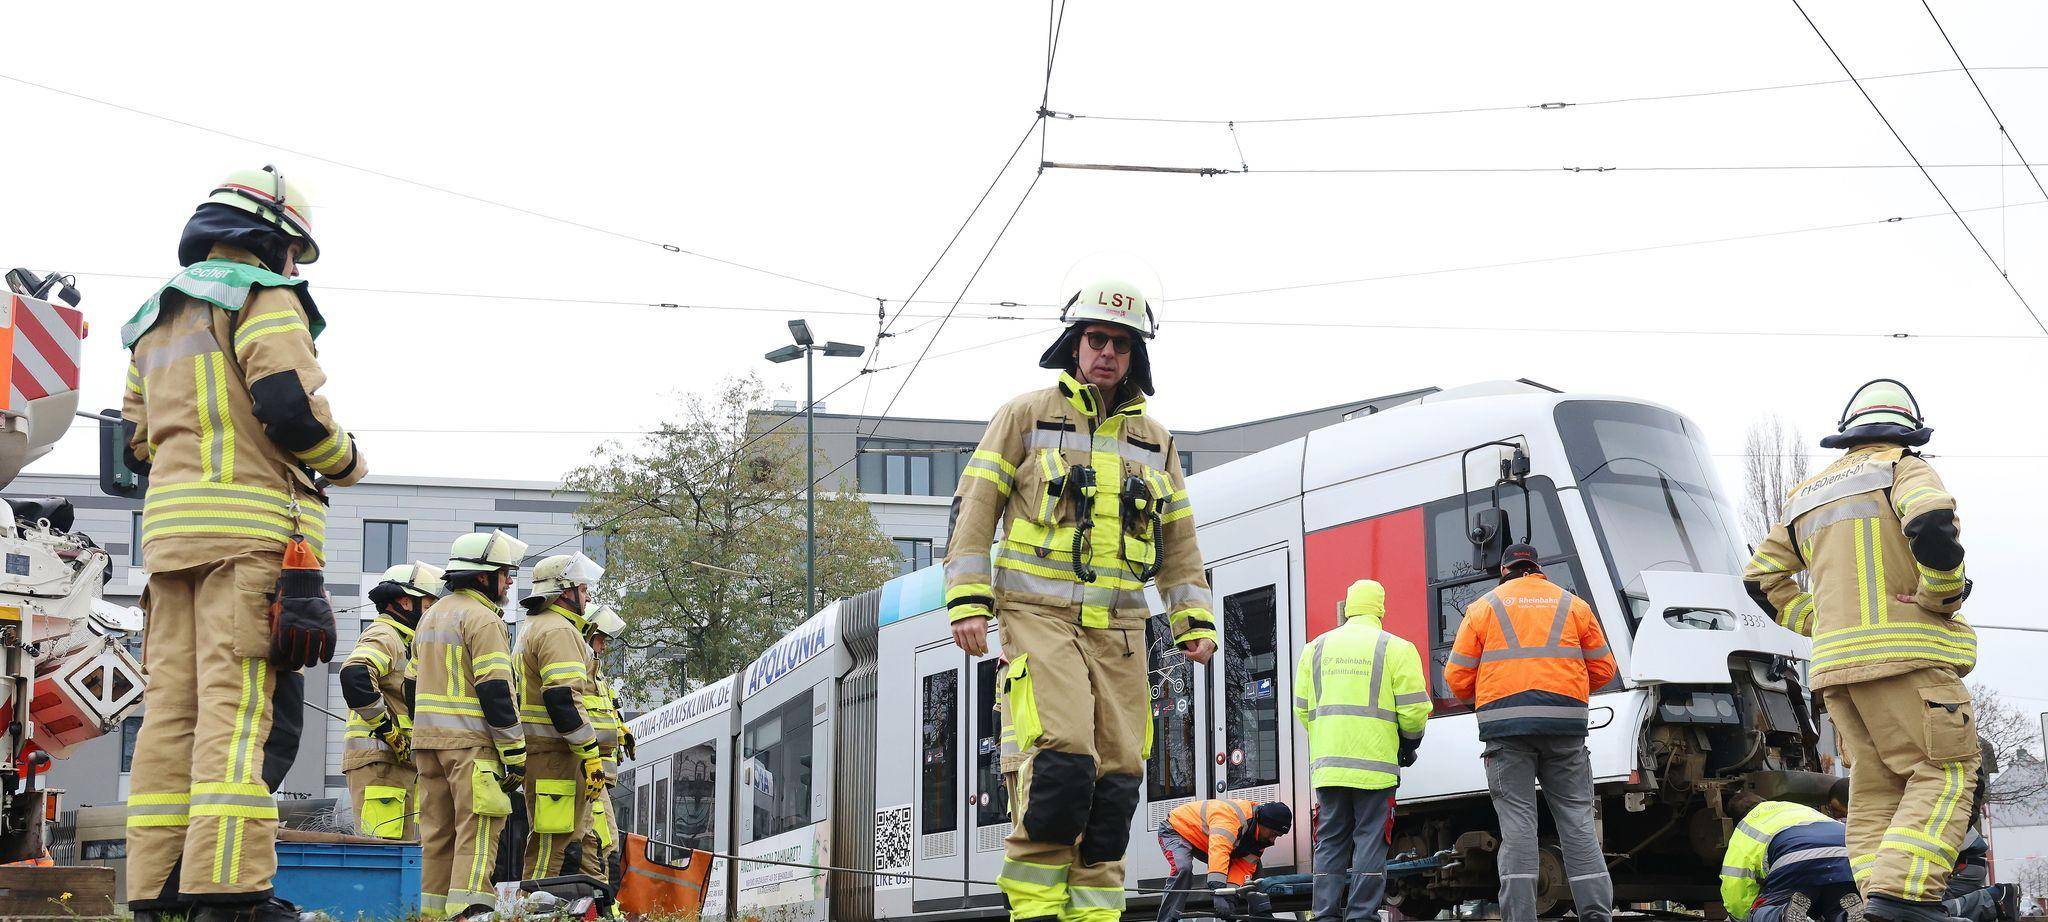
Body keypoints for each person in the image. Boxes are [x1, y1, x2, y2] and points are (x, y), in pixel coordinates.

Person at [121, 165, 368, 922]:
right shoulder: (263, 296)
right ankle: (230, 894)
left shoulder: (154, 318)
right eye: (295, 251)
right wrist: (347, 460)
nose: (295, 268)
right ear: (273, 240)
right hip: (252, 540)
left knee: (172, 715)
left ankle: (158, 893)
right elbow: (290, 407)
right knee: (241, 714)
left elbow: (136, 445)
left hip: (169, 546)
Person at [943, 276, 1217, 922]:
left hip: (1120, 631)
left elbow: (1179, 542)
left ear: (1134, 356)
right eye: (1097, 339)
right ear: (1074, 345)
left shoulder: (1156, 442)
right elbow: (974, 510)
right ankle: (1036, 911)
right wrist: (968, 602)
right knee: (1065, 763)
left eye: (1121, 344)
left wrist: (1192, 619)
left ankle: (1094, 915)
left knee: (1117, 782)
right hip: (1038, 620)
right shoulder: (1026, 416)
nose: (1107, 354)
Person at [1745, 380, 1979, 922]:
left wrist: (1818, 622)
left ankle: (1878, 902)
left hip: (1837, 673)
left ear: (1849, 436)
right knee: (1945, 772)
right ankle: (1905, 900)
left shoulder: (1808, 492)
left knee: (1875, 787)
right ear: (1907, 433)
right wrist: (1939, 595)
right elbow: (1932, 525)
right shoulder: (1904, 469)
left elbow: (1761, 578)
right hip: (1909, 659)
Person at [1444, 543, 1618, 922]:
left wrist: (1492, 697)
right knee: (1577, 822)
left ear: (1503, 570)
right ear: (1537, 569)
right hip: (1565, 731)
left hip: (1506, 733)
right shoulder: (1573, 606)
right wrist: (1563, 691)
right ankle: (1597, 915)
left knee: (1519, 826)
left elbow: (1456, 678)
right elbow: (1604, 669)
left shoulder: (1483, 608)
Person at [1295, 579, 1431, 922]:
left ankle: (1324, 915)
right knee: (1371, 841)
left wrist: (1329, 739)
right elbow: (1414, 710)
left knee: (1330, 842)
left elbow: (1301, 708)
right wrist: (1409, 743)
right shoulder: (1396, 648)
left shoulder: (1315, 648)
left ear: (1348, 607)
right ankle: (1361, 915)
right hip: (1376, 767)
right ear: (1380, 608)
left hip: (1329, 768)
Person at [414, 531, 529, 920]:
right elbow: (496, 690)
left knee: (437, 837)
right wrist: (515, 754)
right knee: (478, 832)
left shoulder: (430, 616)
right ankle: (468, 913)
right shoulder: (483, 619)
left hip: (428, 745)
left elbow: (412, 683)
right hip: (471, 747)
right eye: (504, 573)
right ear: (483, 577)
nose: (510, 581)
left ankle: (432, 916)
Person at [513, 554, 608, 879]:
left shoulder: (535, 627)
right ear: (565, 591)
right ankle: (537, 908)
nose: (589, 596)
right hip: (555, 755)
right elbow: (562, 697)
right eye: (584, 589)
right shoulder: (557, 630)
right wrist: (590, 753)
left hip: (546, 753)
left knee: (568, 839)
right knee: (552, 844)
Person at [341, 563, 445, 840]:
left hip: (395, 765)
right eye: (428, 603)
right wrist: (388, 730)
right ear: (405, 601)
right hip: (381, 764)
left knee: (404, 851)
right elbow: (355, 674)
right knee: (384, 853)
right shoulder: (386, 635)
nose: (433, 611)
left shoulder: (408, 641)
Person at [1721, 794, 1861, 922]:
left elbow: (1735, 888)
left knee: (1761, 911)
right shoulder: (1795, 808)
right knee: (1835, 901)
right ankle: (1847, 915)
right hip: (1844, 850)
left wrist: (1741, 917)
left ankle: (1782, 915)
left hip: (1796, 856)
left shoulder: (1745, 826)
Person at [1152, 799, 1291, 922]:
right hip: (1176, 829)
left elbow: (1241, 869)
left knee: (1254, 872)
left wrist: (1230, 898)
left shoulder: (1258, 840)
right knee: (1183, 869)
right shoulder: (1231, 819)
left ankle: (1261, 915)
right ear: (1263, 823)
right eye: (1273, 834)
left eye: (1277, 836)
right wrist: (1218, 891)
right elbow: (1219, 851)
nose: (1273, 840)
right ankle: (1168, 918)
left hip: (1203, 840)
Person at [580, 605, 632, 895]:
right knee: (604, 838)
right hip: (590, 771)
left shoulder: (597, 676)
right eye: (600, 638)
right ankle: (604, 904)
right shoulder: (582, 670)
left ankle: (601, 903)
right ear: (587, 635)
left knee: (600, 838)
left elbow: (607, 714)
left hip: (600, 774)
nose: (604, 645)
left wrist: (623, 733)